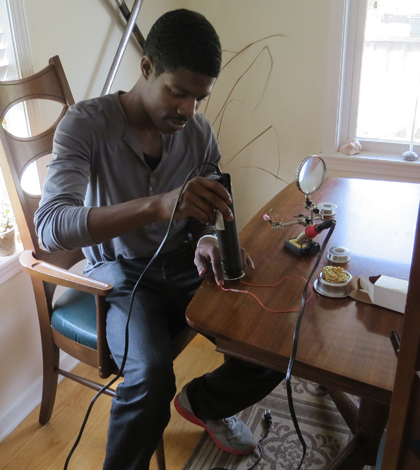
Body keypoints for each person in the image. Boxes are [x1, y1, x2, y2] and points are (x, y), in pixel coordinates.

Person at [35, 9, 285, 470]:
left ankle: (205, 403)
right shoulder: (85, 125)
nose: (188, 110)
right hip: (123, 278)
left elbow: (212, 210)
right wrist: (157, 205)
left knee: (272, 339)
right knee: (149, 377)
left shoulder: (199, 134)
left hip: (187, 264)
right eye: (178, 92)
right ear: (146, 68)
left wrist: (208, 239)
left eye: (199, 97)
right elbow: (50, 227)